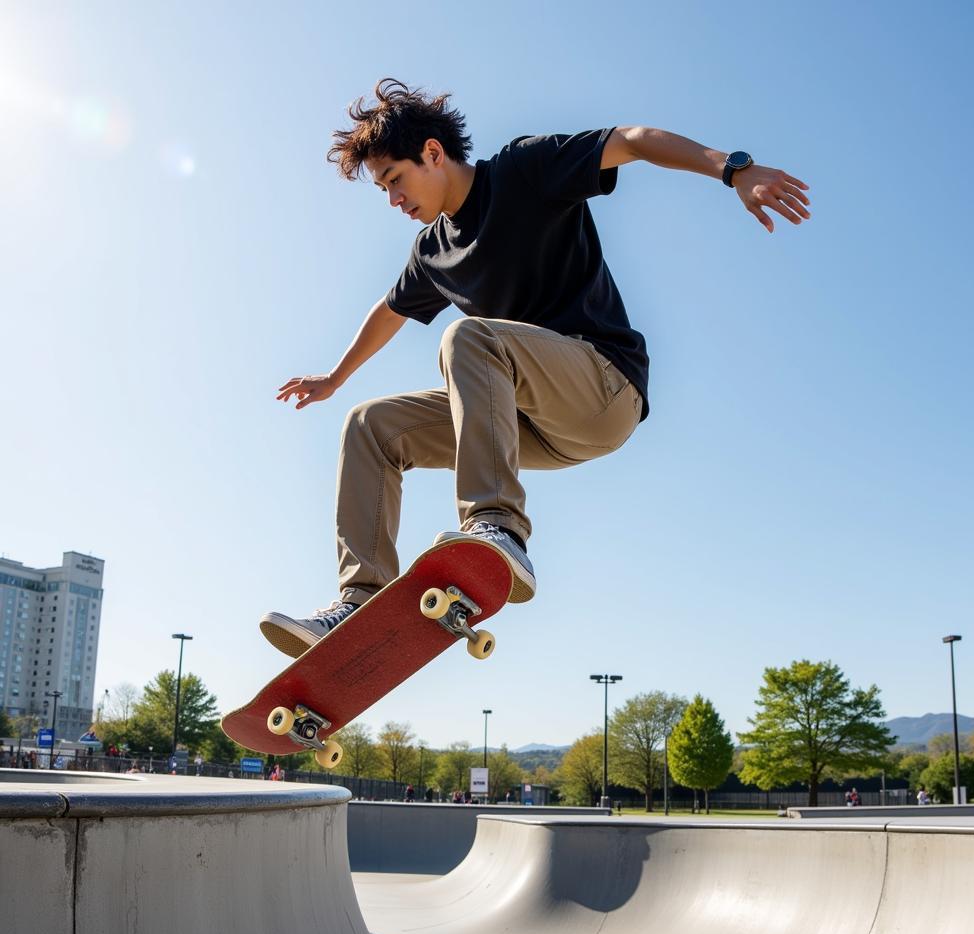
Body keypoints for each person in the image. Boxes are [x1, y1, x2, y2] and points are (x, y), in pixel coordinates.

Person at [259, 79, 809, 653]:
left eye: (395, 180)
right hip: (532, 427)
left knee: (468, 338)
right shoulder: (431, 251)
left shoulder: (525, 170)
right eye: (383, 190)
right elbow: (390, 309)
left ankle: (496, 529)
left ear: (432, 152)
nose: (394, 200)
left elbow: (636, 140)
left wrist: (734, 169)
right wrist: (335, 378)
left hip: (604, 388)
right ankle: (359, 601)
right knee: (369, 426)